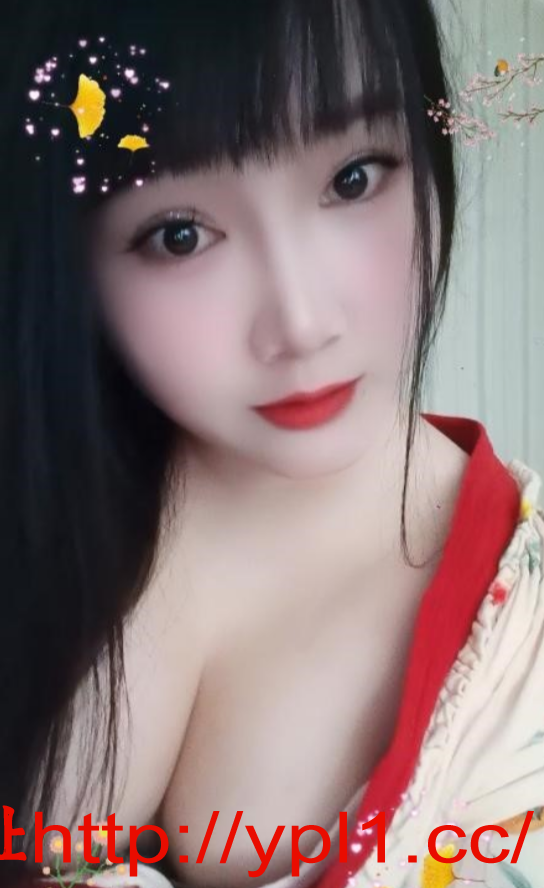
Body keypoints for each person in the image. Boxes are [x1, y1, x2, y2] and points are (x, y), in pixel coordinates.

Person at [0, 1, 543, 887]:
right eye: (180, 235)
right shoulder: (53, 541)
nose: (301, 321)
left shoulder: (525, 632)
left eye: (354, 180)